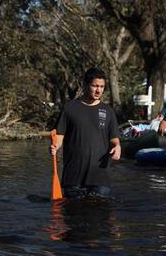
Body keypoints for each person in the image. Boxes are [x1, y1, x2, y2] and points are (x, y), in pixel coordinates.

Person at [50, 67, 121, 198]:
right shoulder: (70, 108)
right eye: (95, 86)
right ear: (85, 85)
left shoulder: (108, 111)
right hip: (73, 178)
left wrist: (117, 146)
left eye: (102, 86)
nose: (98, 90)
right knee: (74, 217)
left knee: (99, 215)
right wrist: (55, 147)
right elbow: (59, 137)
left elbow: (114, 138)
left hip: (100, 178)